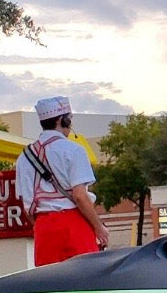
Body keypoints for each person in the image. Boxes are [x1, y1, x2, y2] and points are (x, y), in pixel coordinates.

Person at [16, 96, 111, 266]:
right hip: (75, 223)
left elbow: (26, 203)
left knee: (50, 285)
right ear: (63, 120)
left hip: (43, 226)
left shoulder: (24, 157)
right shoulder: (74, 150)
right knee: (85, 280)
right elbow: (80, 196)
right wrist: (99, 227)